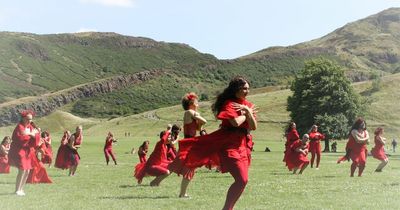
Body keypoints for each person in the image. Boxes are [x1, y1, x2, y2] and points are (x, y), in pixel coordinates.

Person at [165, 76, 257, 210]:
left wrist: (248, 111)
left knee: (243, 181)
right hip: (228, 144)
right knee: (242, 179)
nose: (246, 91)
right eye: (243, 88)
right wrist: (247, 114)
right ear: (235, 89)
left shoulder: (248, 105)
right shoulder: (229, 104)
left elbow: (253, 127)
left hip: (243, 145)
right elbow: (235, 122)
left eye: (248, 88)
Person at [168, 92, 208, 198]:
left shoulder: (191, 113)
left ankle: (182, 193)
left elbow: (199, 127)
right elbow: (204, 121)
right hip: (189, 144)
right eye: (196, 101)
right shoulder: (189, 112)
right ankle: (182, 193)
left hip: (191, 143)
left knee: (186, 167)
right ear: (191, 103)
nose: (198, 103)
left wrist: (198, 119)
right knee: (189, 168)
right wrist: (198, 117)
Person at [8, 110, 41, 196]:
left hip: (28, 151)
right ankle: (17, 190)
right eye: (28, 119)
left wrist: (31, 134)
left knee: (27, 170)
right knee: (22, 169)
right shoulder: (19, 127)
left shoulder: (30, 127)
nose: (29, 121)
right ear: (23, 118)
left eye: (30, 119)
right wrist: (31, 134)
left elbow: (36, 136)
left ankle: (21, 189)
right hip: (20, 151)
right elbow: (20, 139)